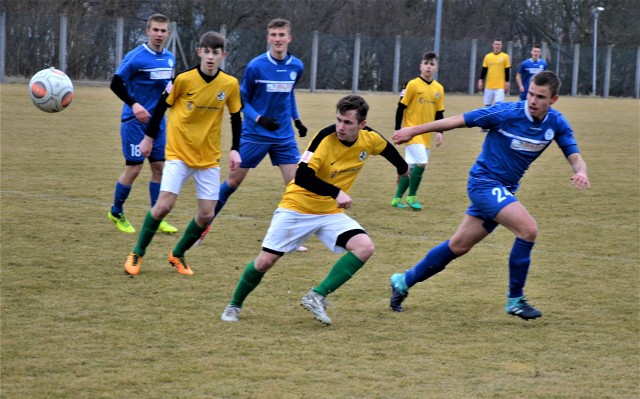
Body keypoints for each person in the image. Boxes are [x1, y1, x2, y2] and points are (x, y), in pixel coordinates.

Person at [389, 71, 590, 320]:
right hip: (484, 184)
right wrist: (414, 130)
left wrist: (580, 172)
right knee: (528, 230)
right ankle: (515, 299)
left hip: (503, 190)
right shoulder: (505, 113)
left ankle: (402, 281)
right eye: (530, 94)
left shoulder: (556, 123)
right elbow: (457, 120)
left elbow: (574, 156)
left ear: (554, 100)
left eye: (540, 97)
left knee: (459, 246)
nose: (533, 100)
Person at [220, 95, 409, 325]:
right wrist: (336, 192)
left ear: (362, 124)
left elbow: (386, 148)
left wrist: (402, 167)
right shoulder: (325, 137)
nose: (340, 126)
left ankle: (316, 296)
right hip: (297, 207)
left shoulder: (369, 138)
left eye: (348, 122)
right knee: (265, 262)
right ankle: (234, 305)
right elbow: (301, 176)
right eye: (339, 120)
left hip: (329, 213)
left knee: (364, 247)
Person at [123, 31, 242, 276]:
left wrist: (235, 150)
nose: (210, 57)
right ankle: (137, 252)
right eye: (206, 52)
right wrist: (148, 138)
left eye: (216, 53)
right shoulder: (182, 80)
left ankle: (177, 254)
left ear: (223, 56)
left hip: (209, 158)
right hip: (178, 153)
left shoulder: (229, 84)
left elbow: (235, 117)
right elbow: (159, 109)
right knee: (164, 206)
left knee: (207, 214)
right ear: (199, 52)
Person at [203, 18, 308, 251]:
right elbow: (243, 100)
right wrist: (259, 119)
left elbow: (289, 93)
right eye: (274, 35)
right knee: (233, 182)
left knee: (296, 185)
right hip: (254, 134)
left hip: (283, 136)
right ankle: (203, 224)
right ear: (268, 38)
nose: (278, 39)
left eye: (282, 35)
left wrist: (296, 119)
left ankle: (289, 237)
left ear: (289, 38)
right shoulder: (256, 66)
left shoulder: (296, 66)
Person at [107, 13, 178, 235]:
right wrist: (134, 104)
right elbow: (116, 84)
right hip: (134, 122)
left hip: (158, 123)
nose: (159, 34)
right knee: (135, 168)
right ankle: (116, 212)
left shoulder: (169, 58)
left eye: (163, 30)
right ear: (147, 31)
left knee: (159, 168)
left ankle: (156, 216)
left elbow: (168, 87)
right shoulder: (136, 56)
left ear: (168, 33)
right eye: (155, 30)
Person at [391, 52, 445, 211]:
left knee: (410, 168)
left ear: (436, 68)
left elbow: (439, 113)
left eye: (432, 64)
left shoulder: (439, 89)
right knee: (422, 162)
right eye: (426, 63)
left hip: (427, 134)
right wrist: (397, 129)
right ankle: (412, 196)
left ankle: (396, 198)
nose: (428, 66)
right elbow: (400, 108)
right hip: (411, 132)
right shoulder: (412, 85)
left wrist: (440, 132)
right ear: (420, 66)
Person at [477, 39, 511, 107]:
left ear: (501, 46)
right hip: (489, 86)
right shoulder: (488, 56)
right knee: (487, 106)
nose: (497, 46)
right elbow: (484, 70)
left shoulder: (505, 57)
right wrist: (480, 80)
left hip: (500, 87)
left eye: (498, 44)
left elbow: (507, 71)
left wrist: (507, 82)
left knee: (499, 107)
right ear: (493, 45)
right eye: (496, 44)